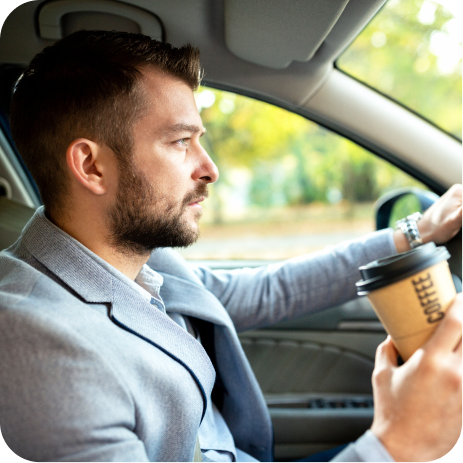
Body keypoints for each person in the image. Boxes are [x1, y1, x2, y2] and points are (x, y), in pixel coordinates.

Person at [0, 30, 462, 463]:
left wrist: (417, 231)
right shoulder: (36, 350)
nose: (210, 168)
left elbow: (268, 290)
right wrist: (398, 443)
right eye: (181, 141)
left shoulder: (139, 255)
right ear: (91, 166)